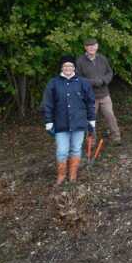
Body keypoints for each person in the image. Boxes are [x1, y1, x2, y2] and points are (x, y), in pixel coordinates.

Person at [43, 55, 95, 185]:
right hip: (61, 124)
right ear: (61, 67)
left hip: (79, 123)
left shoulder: (83, 82)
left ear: (74, 68)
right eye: (65, 66)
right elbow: (47, 103)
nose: (68, 68)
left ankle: (72, 175)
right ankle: (61, 176)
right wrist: (48, 122)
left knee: (76, 149)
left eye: (70, 66)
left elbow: (90, 103)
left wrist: (91, 120)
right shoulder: (53, 83)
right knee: (62, 151)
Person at [76, 38, 121, 144]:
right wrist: (93, 82)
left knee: (110, 116)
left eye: (94, 45)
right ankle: (91, 141)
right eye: (89, 46)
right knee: (90, 120)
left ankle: (116, 138)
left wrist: (103, 81)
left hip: (104, 94)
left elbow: (110, 72)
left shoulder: (102, 58)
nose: (91, 47)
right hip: (89, 96)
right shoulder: (80, 61)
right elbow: (78, 78)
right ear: (85, 47)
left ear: (97, 46)